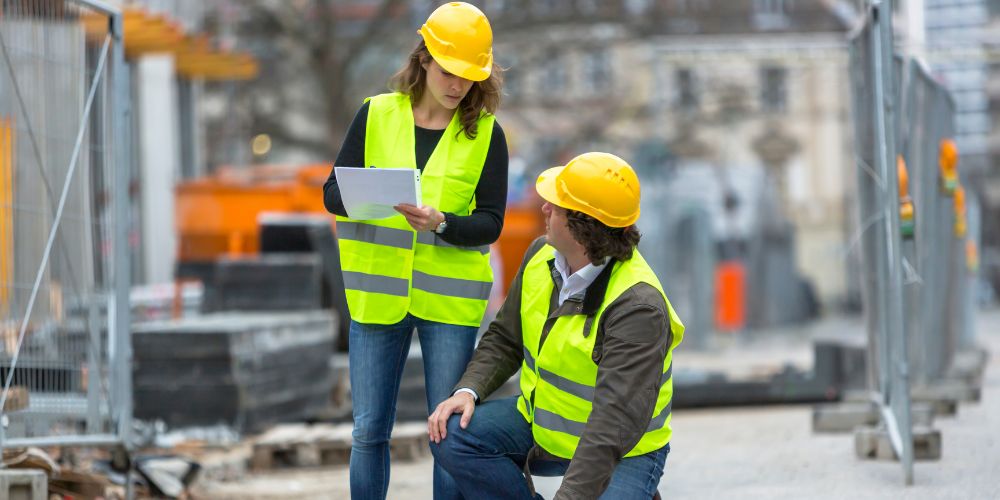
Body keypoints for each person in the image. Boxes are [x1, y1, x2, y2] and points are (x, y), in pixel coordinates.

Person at [322, 3, 507, 499]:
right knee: (368, 431)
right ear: (424, 60)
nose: (457, 86)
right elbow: (331, 193)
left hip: (448, 305)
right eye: (449, 72)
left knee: (447, 434)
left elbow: (491, 223)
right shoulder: (376, 114)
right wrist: (372, 199)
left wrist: (443, 223)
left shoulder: (486, 133)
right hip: (377, 297)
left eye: (469, 77)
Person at [427, 152, 684, 500]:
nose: (545, 209)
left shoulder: (638, 307)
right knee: (454, 434)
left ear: (582, 226)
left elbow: (612, 425)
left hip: (624, 451)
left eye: (557, 206)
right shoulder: (540, 255)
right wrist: (467, 391)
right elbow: (505, 338)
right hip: (543, 425)